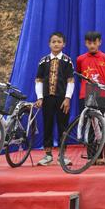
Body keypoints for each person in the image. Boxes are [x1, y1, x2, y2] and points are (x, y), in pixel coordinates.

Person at [76, 30, 105, 165]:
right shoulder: (80, 59)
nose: (92, 45)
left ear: (100, 42)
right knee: (89, 125)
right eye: (89, 43)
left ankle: (99, 156)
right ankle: (91, 155)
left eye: (95, 42)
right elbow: (79, 74)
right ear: (85, 43)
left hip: (101, 95)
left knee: (100, 125)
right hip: (85, 95)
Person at [35, 32, 75, 166]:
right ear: (49, 44)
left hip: (62, 99)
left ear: (64, 44)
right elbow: (39, 80)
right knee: (47, 124)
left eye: (59, 42)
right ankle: (47, 155)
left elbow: (70, 81)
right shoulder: (43, 61)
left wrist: (68, 98)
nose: (56, 44)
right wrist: (40, 97)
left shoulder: (67, 61)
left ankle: (62, 155)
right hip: (47, 98)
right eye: (53, 41)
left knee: (63, 125)